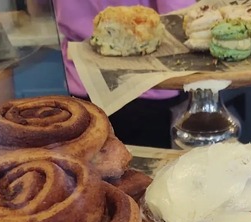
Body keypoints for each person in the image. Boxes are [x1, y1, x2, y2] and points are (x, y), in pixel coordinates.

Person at [51, 0, 195, 148]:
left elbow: (37, 10)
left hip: (80, 79)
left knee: (88, 163)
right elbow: (181, 17)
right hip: (144, 87)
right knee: (143, 166)